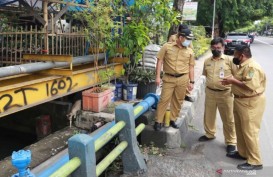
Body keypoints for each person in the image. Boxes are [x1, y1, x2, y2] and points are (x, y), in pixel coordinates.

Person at [221, 45, 266, 170]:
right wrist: (231, 81)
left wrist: (232, 81)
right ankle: (243, 153)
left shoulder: (252, 67)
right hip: (241, 101)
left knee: (250, 131)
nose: (234, 57)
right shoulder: (244, 66)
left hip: (250, 102)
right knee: (240, 129)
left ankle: (255, 161)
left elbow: (250, 86)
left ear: (242, 55)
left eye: (235, 54)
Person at [199, 37, 237, 156]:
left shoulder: (229, 60)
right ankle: (209, 134)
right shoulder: (207, 61)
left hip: (225, 94)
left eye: (218, 48)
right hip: (210, 92)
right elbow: (205, 75)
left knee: (228, 119)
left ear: (223, 48)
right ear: (211, 48)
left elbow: (236, 76)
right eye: (214, 48)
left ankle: (231, 142)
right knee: (209, 115)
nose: (216, 50)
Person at [154, 28, 195, 131]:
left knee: (178, 100)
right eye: (187, 39)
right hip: (169, 77)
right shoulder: (167, 46)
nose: (189, 41)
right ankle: (158, 121)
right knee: (164, 99)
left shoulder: (190, 51)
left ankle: (173, 119)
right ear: (180, 37)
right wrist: (158, 77)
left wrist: (192, 81)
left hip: (183, 79)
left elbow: (191, 67)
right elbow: (159, 61)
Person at [168, 24, 194, 102]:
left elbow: (191, 48)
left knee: (186, 77)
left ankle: (186, 94)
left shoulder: (187, 38)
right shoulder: (173, 37)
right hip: (174, 60)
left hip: (184, 60)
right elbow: (169, 48)